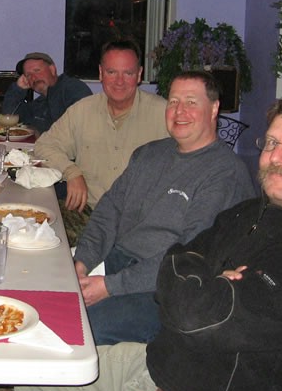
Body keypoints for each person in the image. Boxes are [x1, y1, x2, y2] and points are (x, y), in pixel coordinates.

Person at [16, 92, 282, 391]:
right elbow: (175, 259)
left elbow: (195, 314)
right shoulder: (250, 213)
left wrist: (198, 285)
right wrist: (203, 284)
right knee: (37, 374)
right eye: (272, 142)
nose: (275, 157)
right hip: (157, 366)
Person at [74, 71, 255, 345]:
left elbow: (189, 257)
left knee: (82, 327)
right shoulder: (148, 154)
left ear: (214, 108)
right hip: (117, 263)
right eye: (173, 101)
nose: (179, 111)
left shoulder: (225, 174)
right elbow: (109, 212)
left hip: (168, 288)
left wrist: (110, 287)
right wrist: (82, 262)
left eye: (192, 102)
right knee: (46, 287)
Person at [34, 41, 168, 239]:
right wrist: (71, 172)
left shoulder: (164, 114)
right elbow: (44, 145)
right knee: (34, 230)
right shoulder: (82, 110)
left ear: (139, 75)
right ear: (100, 73)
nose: (119, 81)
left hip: (140, 223)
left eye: (128, 73)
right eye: (112, 72)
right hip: (89, 214)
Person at [0, 51, 92, 133]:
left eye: (37, 70)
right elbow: (9, 117)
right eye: (28, 75)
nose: (33, 77)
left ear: (52, 70)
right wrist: (18, 88)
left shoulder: (73, 88)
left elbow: (82, 127)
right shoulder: (39, 104)